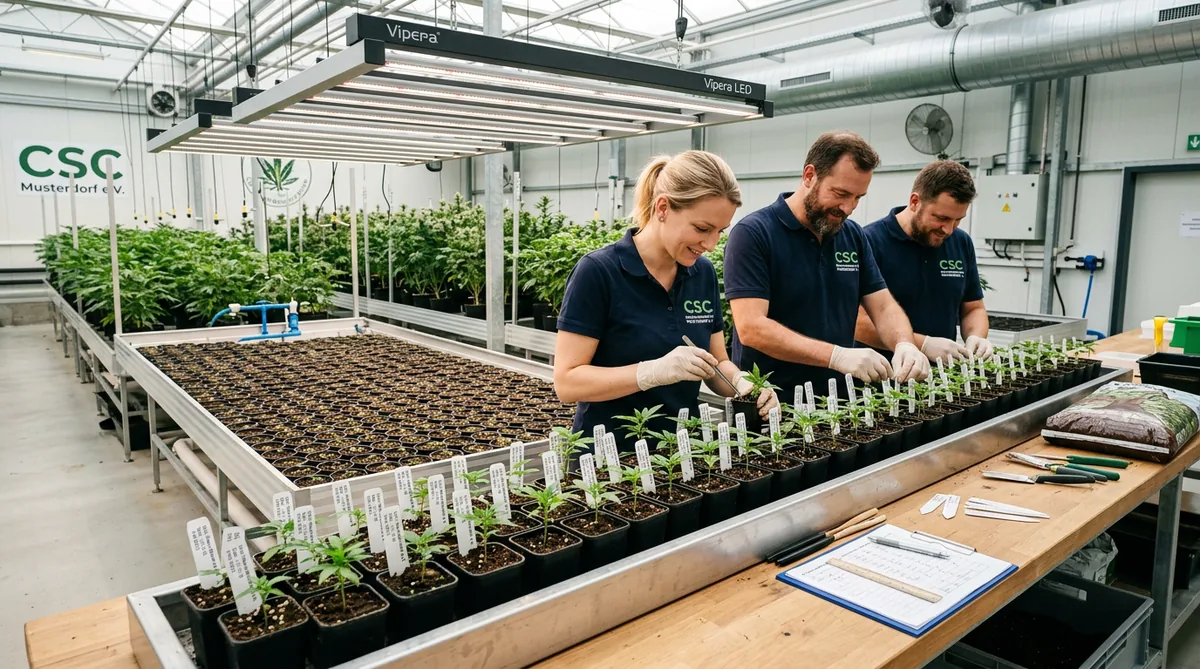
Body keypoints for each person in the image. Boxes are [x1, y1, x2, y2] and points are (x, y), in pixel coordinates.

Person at [553, 151, 779, 450]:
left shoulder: (702, 274)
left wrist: (744, 385)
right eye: (701, 228)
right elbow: (567, 383)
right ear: (663, 207)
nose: (711, 245)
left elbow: (717, 363)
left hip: (681, 450)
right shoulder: (598, 272)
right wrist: (651, 372)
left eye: (719, 232)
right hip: (610, 455)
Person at [723, 131, 930, 399]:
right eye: (840, 193)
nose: (848, 207)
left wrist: (904, 343)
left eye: (858, 197)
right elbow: (752, 327)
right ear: (809, 176)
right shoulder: (754, 234)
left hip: (838, 402)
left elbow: (883, 305)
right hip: (772, 402)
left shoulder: (852, 236)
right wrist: (835, 355)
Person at [855, 160, 993, 363]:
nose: (948, 229)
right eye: (941, 218)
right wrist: (922, 344)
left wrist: (976, 337)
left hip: (943, 378)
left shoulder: (961, 243)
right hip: (882, 378)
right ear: (914, 202)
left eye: (958, 219)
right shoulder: (869, 242)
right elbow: (857, 322)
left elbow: (973, 308)